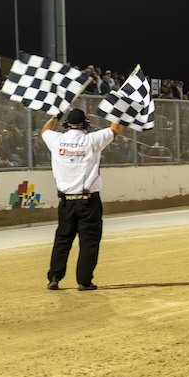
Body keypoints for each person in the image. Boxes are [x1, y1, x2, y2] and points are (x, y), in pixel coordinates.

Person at [41, 108, 123, 291]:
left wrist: (56, 115)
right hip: (88, 200)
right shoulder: (92, 140)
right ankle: (84, 281)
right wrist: (115, 111)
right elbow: (116, 129)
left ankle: (54, 276)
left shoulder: (56, 140)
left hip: (65, 201)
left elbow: (45, 130)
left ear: (66, 124)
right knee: (89, 241)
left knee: (63, 239)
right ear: (85, 124)